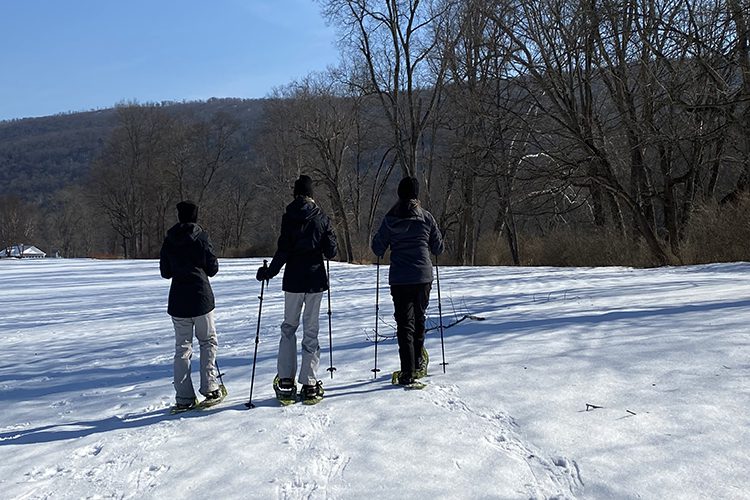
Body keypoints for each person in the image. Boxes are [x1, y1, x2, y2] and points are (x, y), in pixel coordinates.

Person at [256, 175, 338, 404]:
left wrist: (269, 272)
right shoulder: (321, 218)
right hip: (314, 281)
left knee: (288, 328)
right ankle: (310, 384)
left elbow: (283, 250)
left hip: (293, 281)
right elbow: (331, 252)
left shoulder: (288, 217)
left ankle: (285, 380)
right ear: (312, 194)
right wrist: (329, 234)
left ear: (295, 193)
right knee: (310, 331)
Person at [371, 176, 444, 387]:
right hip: (423, 276)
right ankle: (419, 361)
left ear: (399, 194)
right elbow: (438, 248)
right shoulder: (426, 217)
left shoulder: (390, 218)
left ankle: (407, 371)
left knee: (404, 324)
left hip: (400, 278)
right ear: (416, 194)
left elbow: (377, 248)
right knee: (419, 319)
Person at [159, 200, 223, 412]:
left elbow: (165, 272)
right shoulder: (201, 237)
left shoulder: (169, 240)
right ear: (195, 216)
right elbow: (213, 268)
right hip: (201, 297)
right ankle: (210, 387)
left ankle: (184, 397)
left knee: (182, 349)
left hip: (178, 300)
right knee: (207, 342)